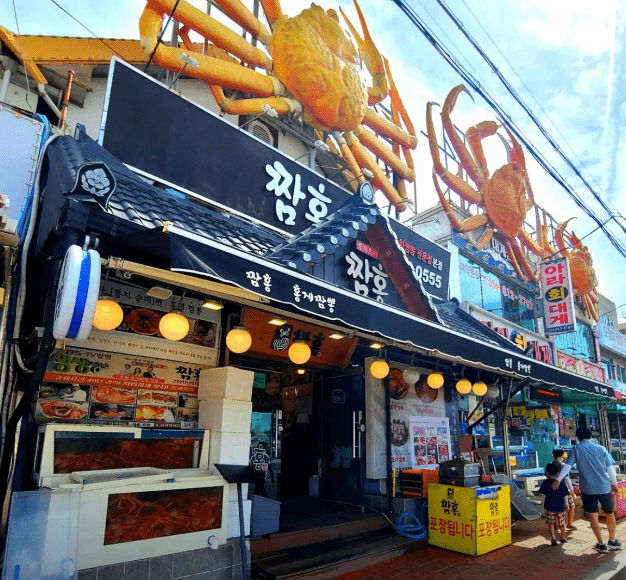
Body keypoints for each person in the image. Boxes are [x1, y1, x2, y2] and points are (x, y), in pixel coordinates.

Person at [555, 426, 623, 553]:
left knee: (593, 516)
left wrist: (558, 480)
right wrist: (614, 483)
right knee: (609, 513)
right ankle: (612, 540)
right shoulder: (601, 448)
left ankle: (601, 544)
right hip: (604, 487)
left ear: (578, 437)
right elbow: (610, 468)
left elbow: (567, 467)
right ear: (591, 436)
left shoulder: (576, 449)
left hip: (587, 489)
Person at [539, 462, 569, 546]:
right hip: (560, 506)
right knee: (562, 523)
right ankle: (563, 537)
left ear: (547, 473)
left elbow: (541, 491)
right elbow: (566, 493)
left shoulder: (545, 483)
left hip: (549, 506)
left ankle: (553, 539)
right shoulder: (561, 483)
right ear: (558, 473)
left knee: (551, 523)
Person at [552, 448, 577, 530]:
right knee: (571, 506)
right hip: (564, 490)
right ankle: (569, 524)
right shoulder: (562, 465)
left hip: (553, 489)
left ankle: (555, 524)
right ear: (561, 456)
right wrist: (571, 489)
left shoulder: (550, 465)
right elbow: (566, 479)